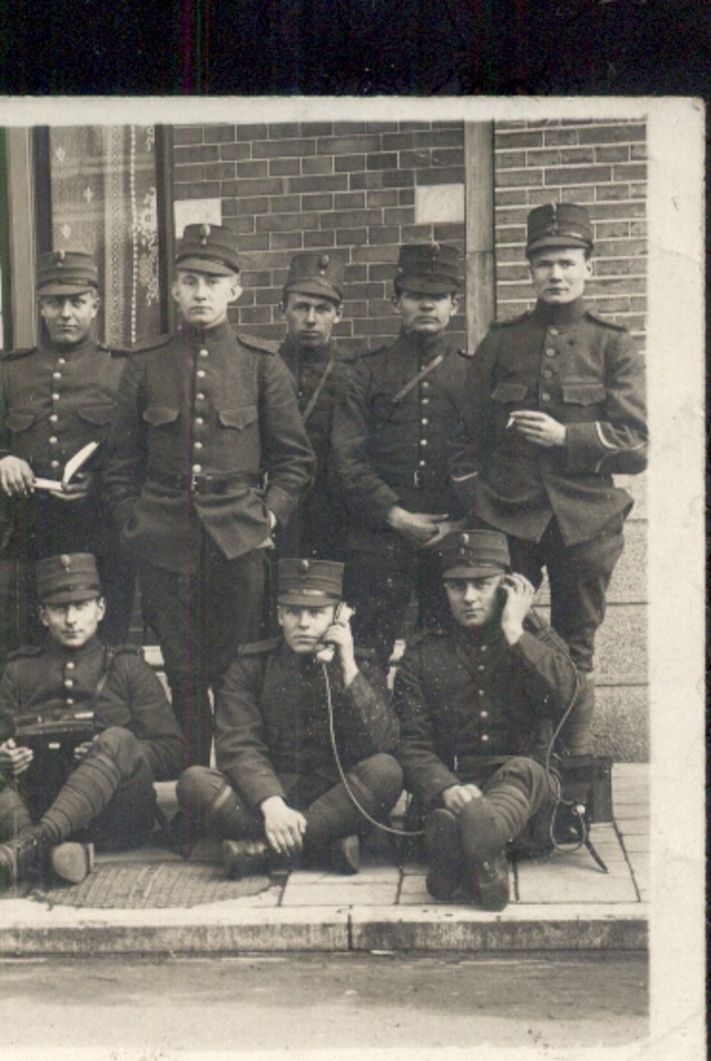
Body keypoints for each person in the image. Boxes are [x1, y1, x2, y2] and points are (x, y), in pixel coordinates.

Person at [102, 223, 315, 769]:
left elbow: (294, 460)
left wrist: (269, 517)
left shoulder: (263, 364)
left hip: (238, 539)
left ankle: (242, 784)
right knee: (183, 671)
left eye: (212, 282)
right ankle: (196, 798)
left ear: (235, 290)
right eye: (190, 281)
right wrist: (133, 520)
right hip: (163, 537)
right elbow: (121, 461)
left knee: (238, 669)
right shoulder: (145, 364)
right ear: (172, 290)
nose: (200, 292)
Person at [462, 202, 647, 772]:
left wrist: (568, 435)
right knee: (501, 636)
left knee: (575, 644)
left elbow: (636, 443)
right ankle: (513, 764)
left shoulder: (612, 344)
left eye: (567, 262)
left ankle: (571, 769)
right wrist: (477, 502)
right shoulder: (502, 341)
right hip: (510, 516)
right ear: (531, 271)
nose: (556, 275)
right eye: (544, 264)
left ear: (589, 267)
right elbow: (468, 434)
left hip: (585, 521)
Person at [0, 553, 181, 888]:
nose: (71, 619)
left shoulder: (128, 667)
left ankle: (30, 844)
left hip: (112, 815)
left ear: (100, 609)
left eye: (82, 606)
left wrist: (109, 756)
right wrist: (4, 756)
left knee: (117, 739)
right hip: (38, 804)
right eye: (59, 608)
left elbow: (172, 752)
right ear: (43, 615)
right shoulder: (20, 670)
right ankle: (43, 845)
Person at [393, 530, 585, 911]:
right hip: (455, 790)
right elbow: (410, 743)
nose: (467, 598)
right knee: (456, 811)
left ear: (508, 587)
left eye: (482, 585)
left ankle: (466, 845)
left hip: (526, 796)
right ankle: (484, 854)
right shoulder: (421, 654)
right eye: (456, 586)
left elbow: (570, 698)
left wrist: (516, 632)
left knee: (526, 770)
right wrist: (447, 788)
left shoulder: (533, 640)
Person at [176, 559, 403, 878]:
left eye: (316, 613)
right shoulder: (251, 666)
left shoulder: (360, 666)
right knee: (194, 782)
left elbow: (385, 742)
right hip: (268, 798)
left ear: (338, 615)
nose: (304, 623)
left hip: (336, 798)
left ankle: (262, 852)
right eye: (294, 611)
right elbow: (238, 745)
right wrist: (272, 804)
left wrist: (348, 667)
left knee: (387, 771)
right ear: (280, 614)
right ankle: (323, 846)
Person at [0, 249, 134, 697]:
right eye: (55, 302)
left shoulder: (121, 370)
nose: (66, 313)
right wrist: (1, 460)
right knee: (15, 647)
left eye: (77, 302)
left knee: (105, 650)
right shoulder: (12, 372)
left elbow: (136, 455)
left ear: (95, 306)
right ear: (41, 306)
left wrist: (97, 483)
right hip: (29, 533)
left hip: (97, 533)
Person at [332, 243, 476, 669]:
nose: (426, 305)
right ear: (396, 301)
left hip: (450, 537)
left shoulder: (472, 374)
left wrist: (460, 523)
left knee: (446, 656)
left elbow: (491, 459)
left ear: (455, 304)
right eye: (415, 295)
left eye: (438, 297)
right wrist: (396, 517)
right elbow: (347, 458)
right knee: (366, 654)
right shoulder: (366, 372)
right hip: (379, 537)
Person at [275, 252, 350, 563]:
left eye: (322, 309)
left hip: (335, 513)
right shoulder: (262, 368)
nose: (310, 319)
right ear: (283, 311)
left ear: (338, 314)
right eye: (301, 307)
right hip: (276, 509)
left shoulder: (353, 373)